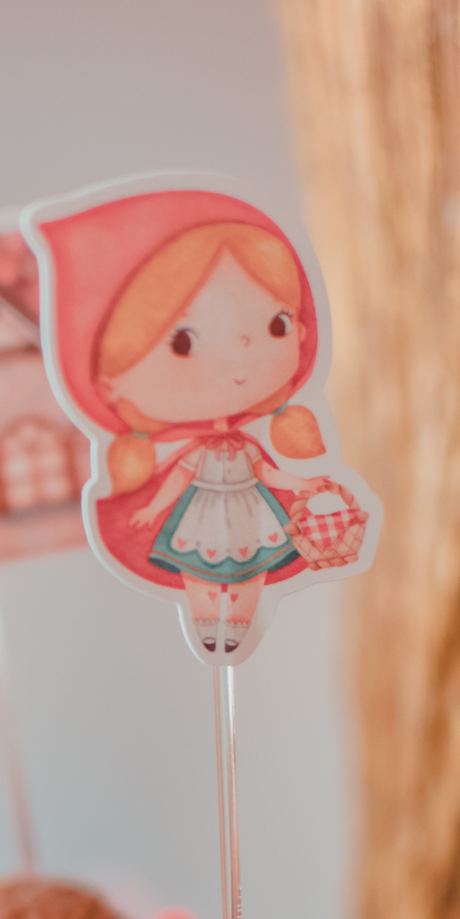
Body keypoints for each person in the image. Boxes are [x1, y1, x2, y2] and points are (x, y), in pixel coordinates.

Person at [90, 217, 336, 653]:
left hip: (251, 514)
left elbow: (269, 474)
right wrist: (152, 507)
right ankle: (209, 626)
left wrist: (303, 483)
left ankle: (237, 630)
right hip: (200, 515)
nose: (239, 356)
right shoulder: (199, 452)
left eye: (276, 325)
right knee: (200, 572)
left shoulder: (247, 447)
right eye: (182, 341)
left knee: (252, 571)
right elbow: (180, 479)